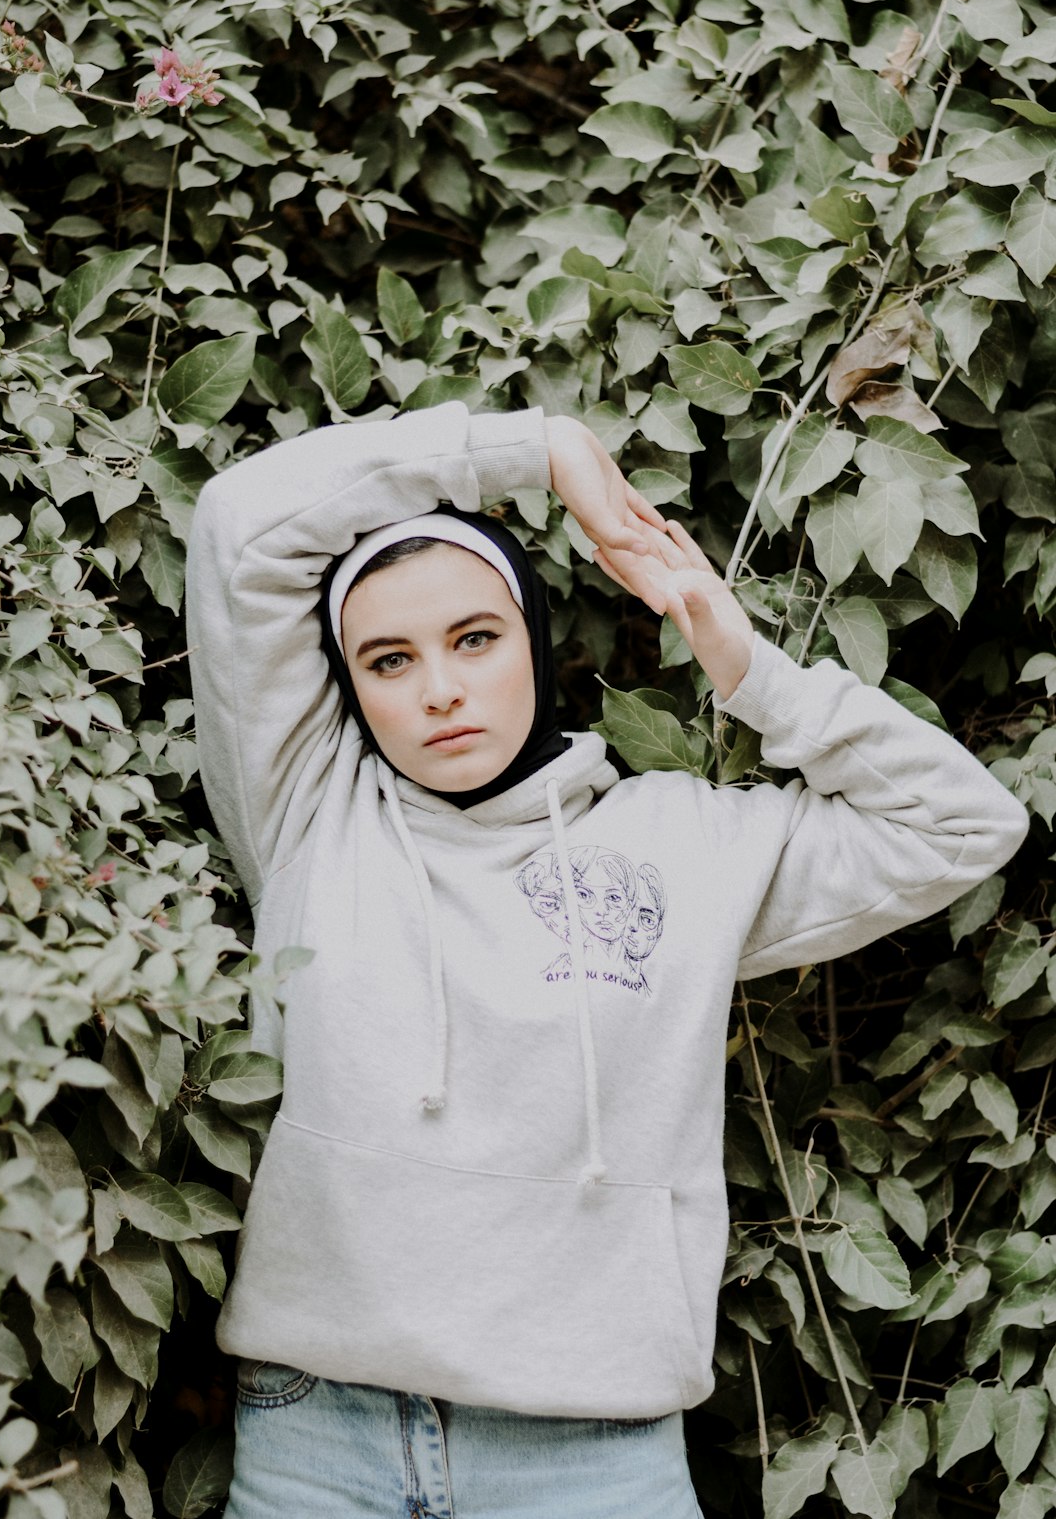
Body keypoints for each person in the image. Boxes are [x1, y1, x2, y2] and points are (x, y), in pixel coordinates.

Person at [185, 404, 1027, 1518]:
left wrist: (744, 664)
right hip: (320, 1439)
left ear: (534, 641)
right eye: (390, 658)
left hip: (588, 1457)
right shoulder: (307, 815)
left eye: (474, 638)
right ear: (351, 684)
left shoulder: (686, 843)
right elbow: (240, 520)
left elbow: (964, 824)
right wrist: (543, 450)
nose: (438, 687)